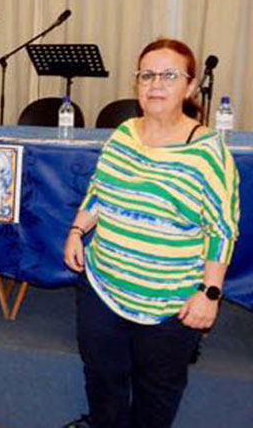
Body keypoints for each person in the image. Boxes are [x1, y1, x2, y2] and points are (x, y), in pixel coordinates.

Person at [62, 38, 240, 428]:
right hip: (102, 286)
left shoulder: (209, 151)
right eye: (147, 75)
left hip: (169, 301)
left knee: (156, 392)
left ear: (190, 86)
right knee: (103, 380)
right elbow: (98, 191)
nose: (155, 84)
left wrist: (209, 293)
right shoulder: (125, 132)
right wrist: (77, 230)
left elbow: (223, 229)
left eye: (169, 75)